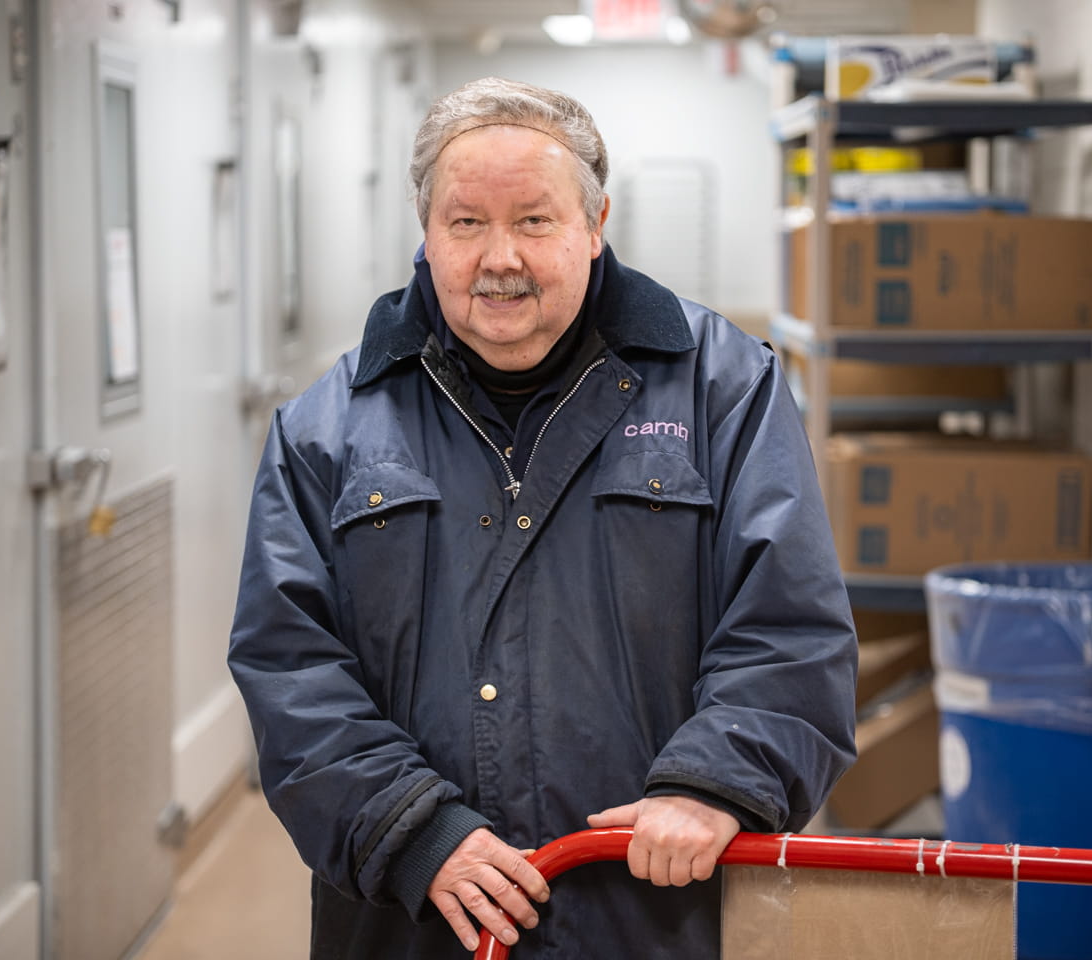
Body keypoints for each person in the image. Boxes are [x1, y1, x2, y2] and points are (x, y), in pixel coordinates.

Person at [229, 76, 857, 959]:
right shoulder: (325, 429)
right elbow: (288, 667)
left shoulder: (724, 390)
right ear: (426, 231)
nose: (500, 258)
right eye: (465, 222)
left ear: (595, 225)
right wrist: (411, 830)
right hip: (418, 923)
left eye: (534, 220)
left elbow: (791, 627)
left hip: (649, 913)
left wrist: (716, 780)